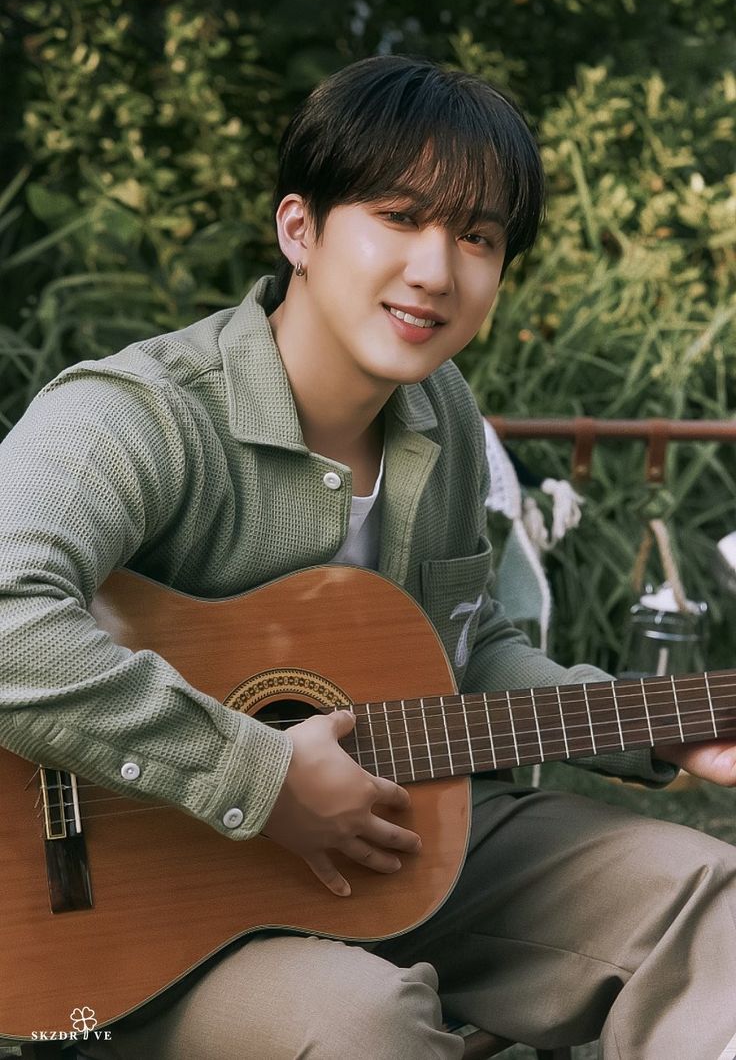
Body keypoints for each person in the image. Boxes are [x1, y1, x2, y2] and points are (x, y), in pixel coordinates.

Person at [1, 53, 735, 1060]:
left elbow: (466, 659)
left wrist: (664, 726)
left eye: (476, 236)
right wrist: (256, 769)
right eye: (398, 215)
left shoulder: (444, 415)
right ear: (298, 228)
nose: (437, 269)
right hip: (130, 924)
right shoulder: (136, 416)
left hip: (391, 845)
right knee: (362, 1023)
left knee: (706, 898)